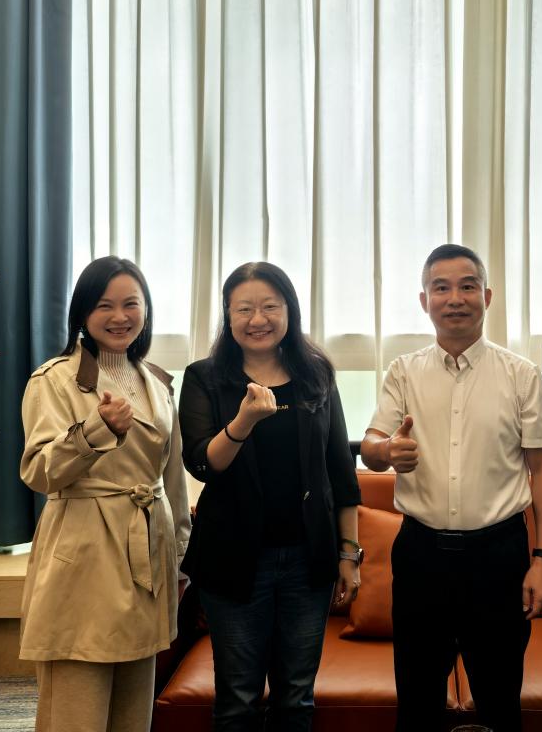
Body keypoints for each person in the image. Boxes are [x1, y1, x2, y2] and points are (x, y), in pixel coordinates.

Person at [360, 244, 542, 732]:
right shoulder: (403, 371)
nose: (455, 298)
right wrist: (387, 452)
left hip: (499, 556)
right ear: (424, 300)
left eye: (468, 286)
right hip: (421, 554)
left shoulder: (521, 374)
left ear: (486, 296)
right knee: (416, 700)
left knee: (499, 699)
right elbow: (370, 446)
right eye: (441, 288)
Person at [178, 261, 361, 732]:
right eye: (244, 309)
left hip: (308, 562)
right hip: (233, 559)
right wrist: (243, 422)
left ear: (289, 311)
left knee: (296, 697)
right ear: (227, 315)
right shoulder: (204, 378)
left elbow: (340, 472)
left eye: (269, 307)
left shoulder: (316, 374)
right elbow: (202, 463)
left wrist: (349, 553)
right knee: (238, 698)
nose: (257, 319)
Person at [19, 256, 192, 732]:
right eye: (104, 305)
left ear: (146, 311)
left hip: (147, 557)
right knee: (76, 711)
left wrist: (179, 557)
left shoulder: (157, 383)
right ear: (82, 313)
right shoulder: (53, 379)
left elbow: (171, 478)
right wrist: (97, 430)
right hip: (84, 553)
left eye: (131, 304)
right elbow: (39, 471)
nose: (120, 317)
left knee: (134, 712)